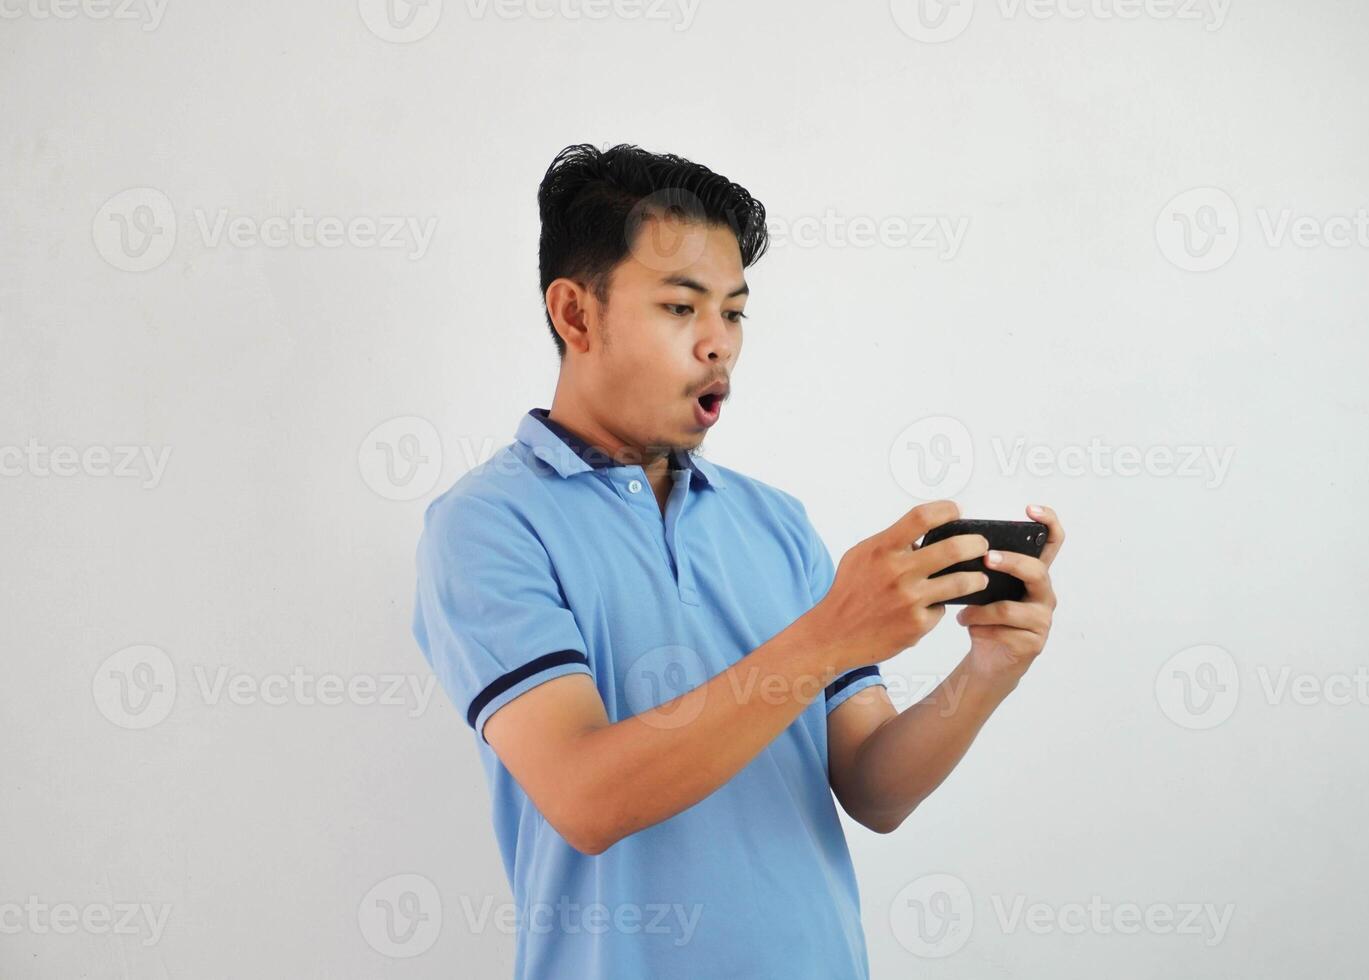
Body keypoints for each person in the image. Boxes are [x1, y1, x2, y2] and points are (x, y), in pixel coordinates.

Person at [411, 142, 1065, 979]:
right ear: (576, 315)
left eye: (735, 311)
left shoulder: (774, 522)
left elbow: (873, 788)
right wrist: (831, 634)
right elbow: (585, 797)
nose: (720, 344)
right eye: (682, 309)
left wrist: (991, 667)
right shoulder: (488, 525)